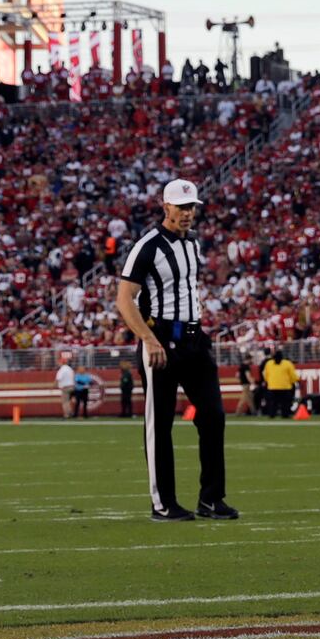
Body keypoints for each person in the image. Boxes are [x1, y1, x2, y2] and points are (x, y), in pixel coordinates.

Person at [118, 177, 237, 522]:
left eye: (192, 208)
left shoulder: (192, 245)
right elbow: (124, 300)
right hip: (161, 341)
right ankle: (163, 503)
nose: (187, 214)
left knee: (213, 416)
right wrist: (149, 339)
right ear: (165, 206)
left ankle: (211, 498)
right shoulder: (148, 246)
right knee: (161, 425)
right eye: (181, 207)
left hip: (194, 339)